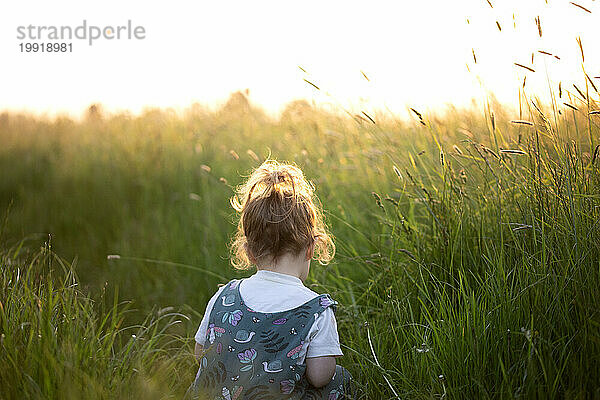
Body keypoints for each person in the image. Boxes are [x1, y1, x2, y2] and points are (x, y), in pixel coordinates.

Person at [188, 159, 355, 399]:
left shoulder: (224, 296)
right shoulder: (316, 309)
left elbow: (200, 355)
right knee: (339, 378)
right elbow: (321, 376)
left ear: (250, 252)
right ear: (310, 249)